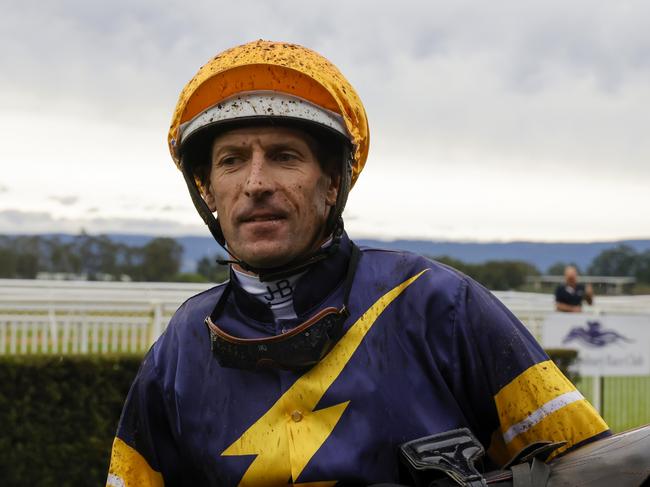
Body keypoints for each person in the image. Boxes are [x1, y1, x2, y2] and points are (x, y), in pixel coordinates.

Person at [106, 40, 609, 486]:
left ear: (331, 184)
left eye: (284, 155)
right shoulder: (183, 343)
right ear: (208, 192)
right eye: (232, 160)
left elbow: (597, 466)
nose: (255, 183)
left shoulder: (438, 302)